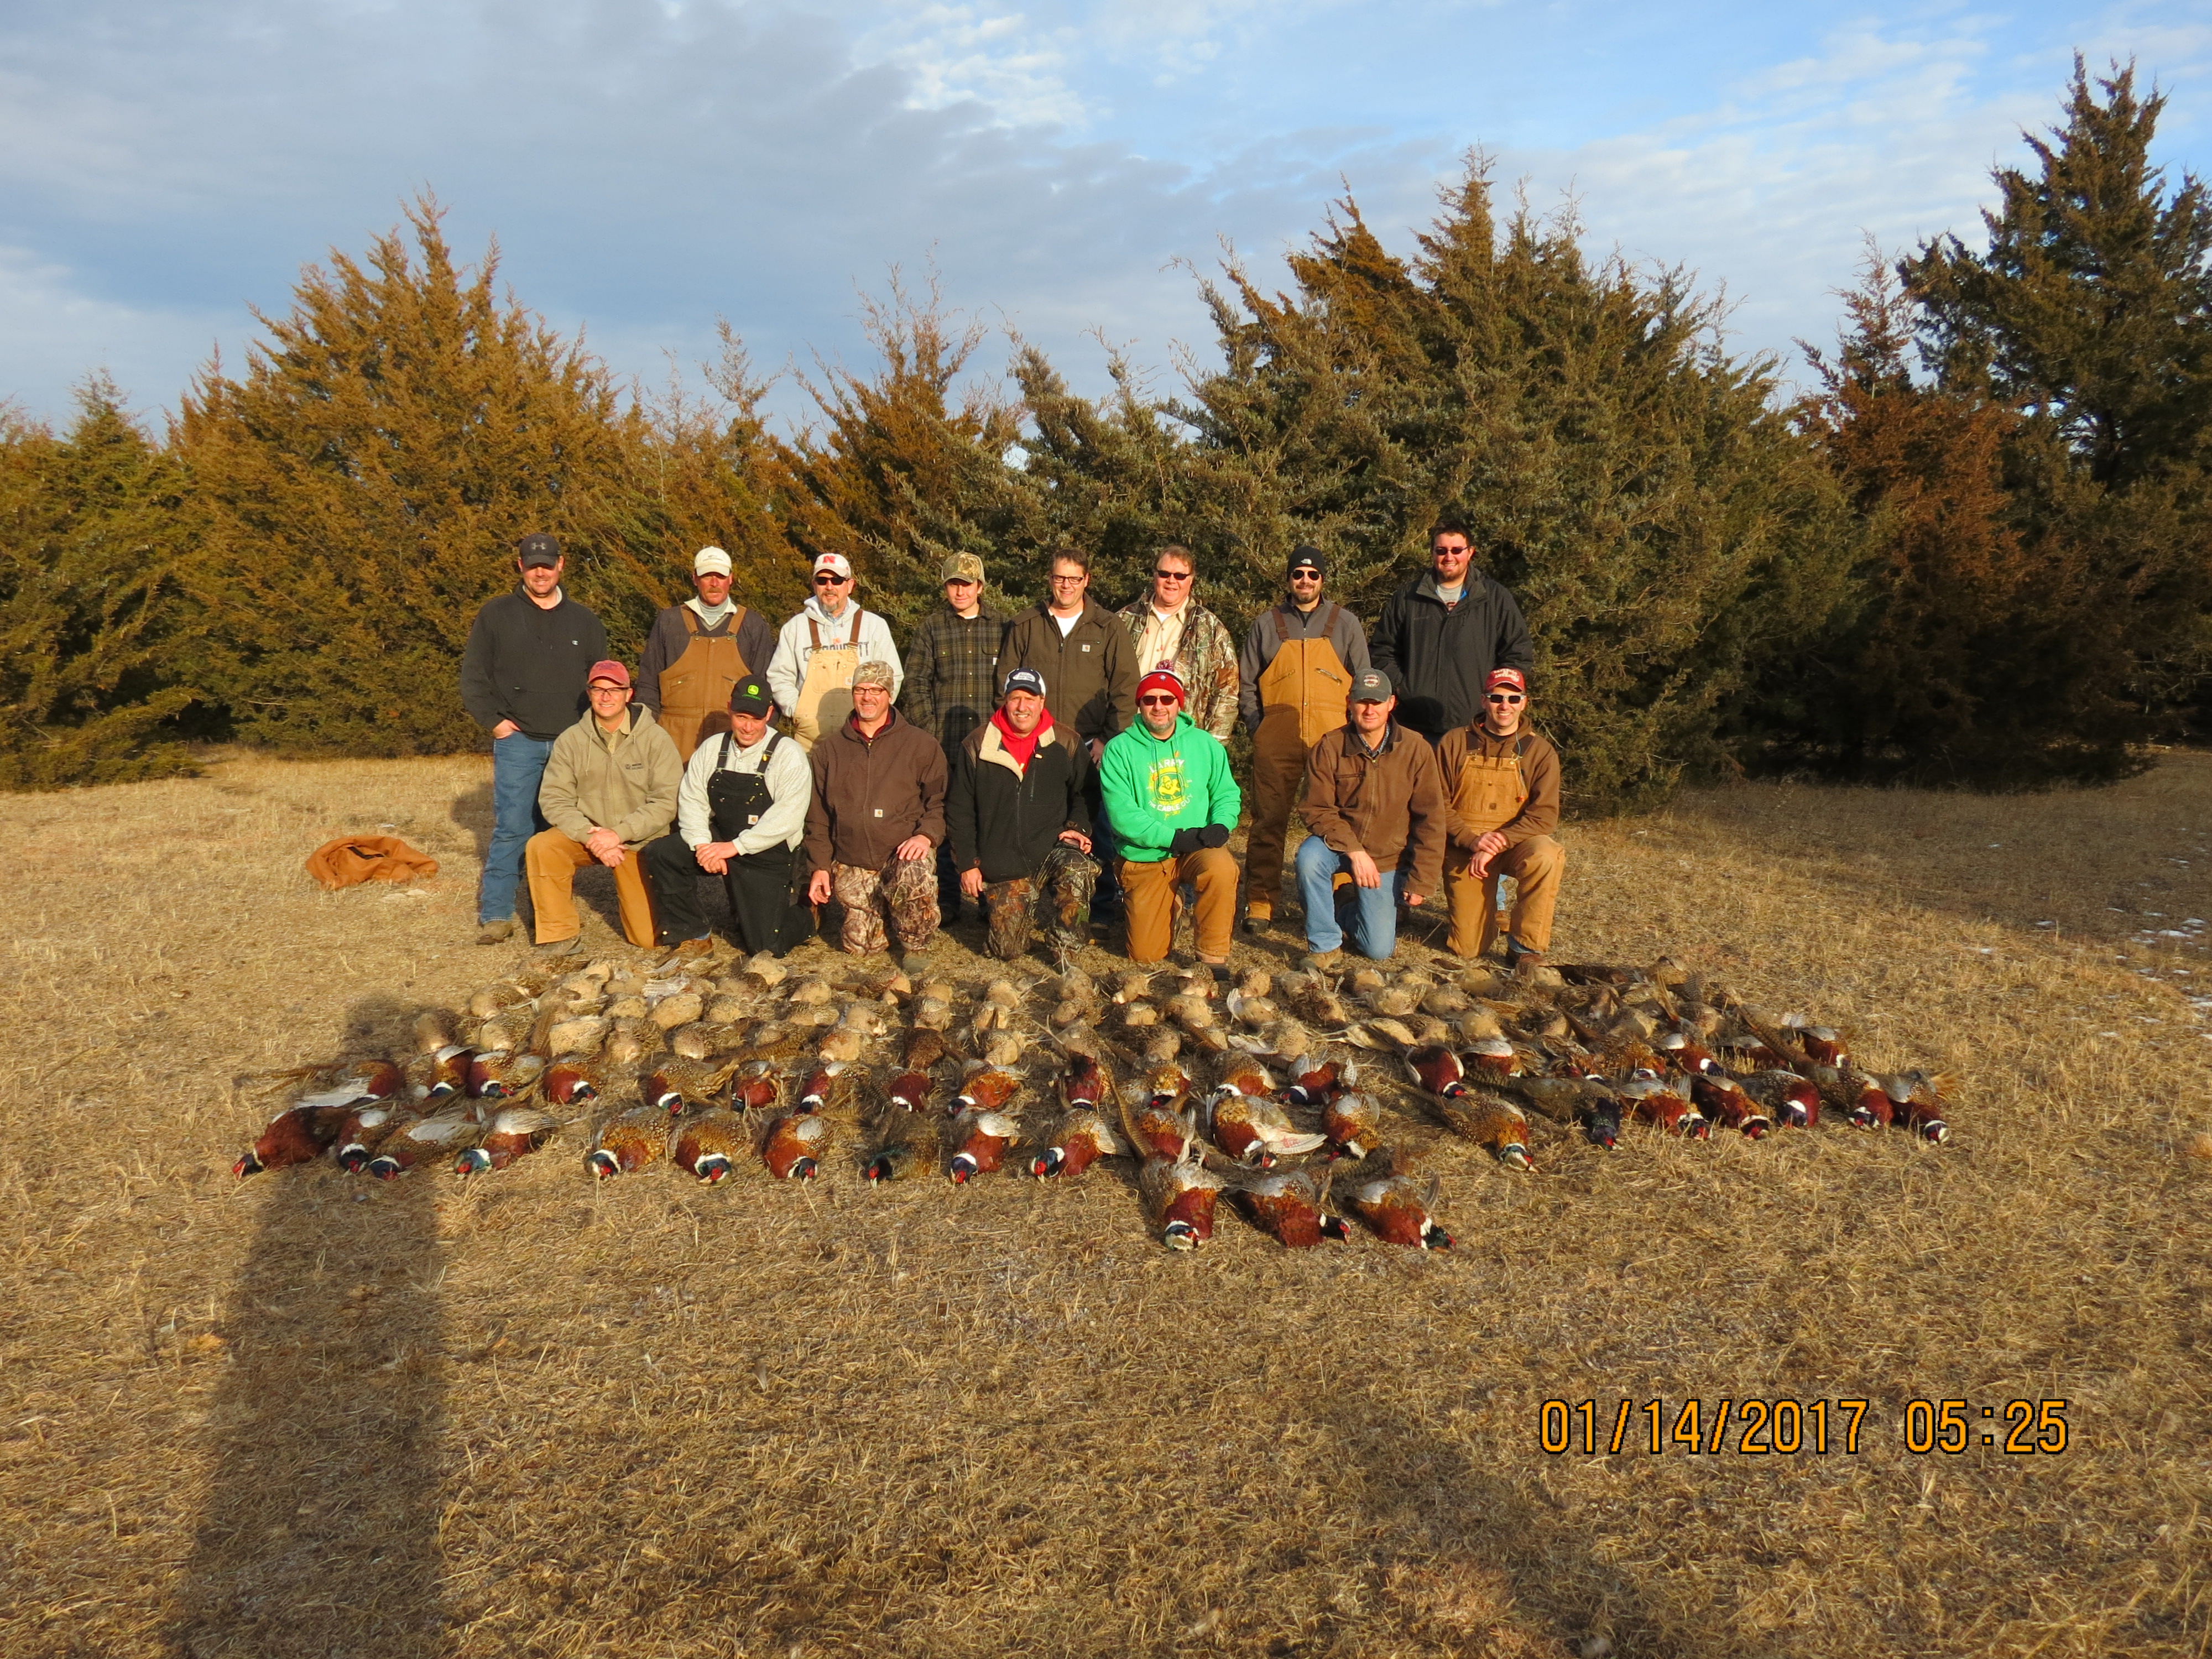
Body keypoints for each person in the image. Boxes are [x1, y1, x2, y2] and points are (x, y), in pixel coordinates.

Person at [460, 531, 610, 945]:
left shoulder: (585, 621)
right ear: (520, 567)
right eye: (532, 566)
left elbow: (601, 682)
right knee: (513, 826)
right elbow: (474, 676)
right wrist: (495, 723)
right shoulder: (496, 615)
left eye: (547, 565)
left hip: (571, 743)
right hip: (519, 742)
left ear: (561, 565)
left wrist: (593, 731)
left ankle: (550, 911)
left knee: (558, 830)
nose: (540, 573)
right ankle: (497, 913)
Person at [1235, 544, 1371, 933]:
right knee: (1268, 821)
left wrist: (1353, 735)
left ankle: (1342, 893)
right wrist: (1259, 727)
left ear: (1323, 580)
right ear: (1289, 579)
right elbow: (1246, 684)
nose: (1305, 580)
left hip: (1333, 742)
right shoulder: (1267, 624)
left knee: (1339, 817)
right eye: (1298, 574)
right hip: (1276, 740)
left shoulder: (1346, 624)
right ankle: (1261, 901)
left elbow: (1363, 684)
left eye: (1313, 575)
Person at [1000, 549, 1139, 920]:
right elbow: (1006, 686)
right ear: (1050, 579)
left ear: (1086, 581)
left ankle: (1102, 905)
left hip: (1091, 744)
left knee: (1097, 826)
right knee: (1032, 823)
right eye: (1060, 578)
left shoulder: (1108, 627)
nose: (1066, 586)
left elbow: (1126, 689)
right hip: (1037, 743)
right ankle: (1023, 904)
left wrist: (1109, 739)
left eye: (1074, 579)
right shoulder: (1026, 625)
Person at [642, 674, 813, 961]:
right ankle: (694, 935)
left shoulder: (788, 754)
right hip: (721, 838)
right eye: (741, 717)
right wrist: (702, 846)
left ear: (769, 714)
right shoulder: (712, 748)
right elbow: (692, 799)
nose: (747, 727)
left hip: (768, 850)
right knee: (663, 853)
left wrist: (734, 848)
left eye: (756, 719)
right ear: (729, 709)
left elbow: (788, 818)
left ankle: (808, 917)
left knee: (765, 949)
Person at [525, 660, 682, 955]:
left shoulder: (656, 739)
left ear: (629, 694)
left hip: (638, 841)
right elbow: (554, 798)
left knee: (647, 938)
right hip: (590, 834)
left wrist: (619, 834)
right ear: (589, 693)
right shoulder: (571, 740)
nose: (606, 696)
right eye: (598, 689)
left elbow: (666, 802)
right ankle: (559, 935)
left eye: (614, 690)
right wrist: (591, 836)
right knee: (543, 846)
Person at [1293, 669, 1446, 968]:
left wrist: (1421, 880)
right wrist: (1354, 850)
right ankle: (1324, 944)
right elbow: (1316, 808)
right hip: (1338, 846)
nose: (1369, 710)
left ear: (1391, 703)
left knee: (1377, 949)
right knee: (1309, 858)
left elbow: (1431, 819)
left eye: (1376, 702)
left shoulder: (1416, 749)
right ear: (1349, 702)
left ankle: (1344, 904)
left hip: (1387, 856)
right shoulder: (1329, 747)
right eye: (1362, 701)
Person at [803, 660, 948, 971]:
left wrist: (925, 836)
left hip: (902, 853)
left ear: (890, 695)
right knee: (862, 949)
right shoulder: (829, 751)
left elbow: (938, 803)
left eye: (876, 690)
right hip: (854, 858)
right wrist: (820, 867)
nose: (867, 697)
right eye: (861, 690)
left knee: (914, 873)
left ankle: (916, 944)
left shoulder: (921, 745)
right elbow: (817, 818)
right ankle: (884, 913)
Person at [945, 668, 1097, 963]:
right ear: (1005, 700)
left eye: (1030, 698)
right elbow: (960, 810)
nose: (1022, 706)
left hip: (1052, 849)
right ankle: (1008, 909)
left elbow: (1087, 793)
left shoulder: (1067, 741)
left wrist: (1078, 827)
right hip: (1003, 862)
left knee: (1079, 868)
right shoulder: (977, 744)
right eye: (1015, 698)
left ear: (1042, 702)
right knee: (1006, 950)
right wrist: (967, 863)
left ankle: (1066, 947)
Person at [1099, 669, 1241, 974]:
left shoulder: (1205, 744)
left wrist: (1221, 825)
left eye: (1167, 699)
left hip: (1198, 846)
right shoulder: (1119, 750)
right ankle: (1171, 904)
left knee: (1221, 868)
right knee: (1146, 955)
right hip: (1148, 854)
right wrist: (1174, 838)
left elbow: (1226, 793)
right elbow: (1123, 816)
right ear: (1140, 705)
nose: (1158, 706)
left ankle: (1212, 955)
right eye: (1150, 699)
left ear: (1179, 704)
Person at [900, 552, 1009, 919]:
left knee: (989, 819)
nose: (960, 591)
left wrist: (1006, 734)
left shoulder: (1004, 627)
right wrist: (930, 734)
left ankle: (988, 897)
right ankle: (947, 897)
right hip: (944, 745)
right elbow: (915, 683)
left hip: (991, 745)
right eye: (953, 584)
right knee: (946, 819)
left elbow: (1013, 687)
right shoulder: (931, 628)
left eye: (967, 584)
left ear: (980, 586)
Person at [1437, 667, 1563, 974]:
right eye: (1497, 698)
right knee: (1467, 949)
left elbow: (1545, 815)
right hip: (1465, 846)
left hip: (1515, 843)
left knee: (1547, 856)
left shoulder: (1540, 751)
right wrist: (1472, 841)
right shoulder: (1454, 742)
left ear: (1524, 702)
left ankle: (1525, 948)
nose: (1504, 705)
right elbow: (1436, 803)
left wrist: (1500, 841)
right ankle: (1488, 915)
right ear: (1484, 701)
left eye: (1513, 698)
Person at [1369, 519, 1536, 747]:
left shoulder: (1495, 598)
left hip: (1475, 729)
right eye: (1442, 551)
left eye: (1457, 550)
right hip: (1414, 727)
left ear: (1470, 552)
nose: (1449, 557)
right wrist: (1404, 688)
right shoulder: (1408, 598)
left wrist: (1494, 697)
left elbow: (1518, 654)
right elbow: (1382, 650)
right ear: (1432, 553)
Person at [637, 546, 777, 760]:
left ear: (731, 579)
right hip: (673, 741)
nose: (714, 583)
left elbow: (767, 690)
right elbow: (648, 685)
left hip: (732, 742)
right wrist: (645, 733)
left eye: (720, 576)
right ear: (695, 579)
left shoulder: (752, 625)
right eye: (706, 576)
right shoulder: (669, 622)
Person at [765, 552, 904, 749]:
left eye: (837, 580)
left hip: (862, 740)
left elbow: (892, 677)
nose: (829, 587)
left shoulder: (874, 626)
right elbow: (778, 676)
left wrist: (874, 716)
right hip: (808, 744)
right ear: (814, 585)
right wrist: (797, 710)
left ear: (850, 585)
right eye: (822, 580)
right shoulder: (795, 628)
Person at [1115, 543, 1239, 740]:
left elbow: (1227, 692)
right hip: (1128, 738)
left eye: (1180, 576)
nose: (1171, 581)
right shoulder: (1123, 620)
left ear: (1191, 580)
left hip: (1184, 743)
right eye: (1165, 574)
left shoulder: (1211, 629)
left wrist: (1213, 746)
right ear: (1155, 576)